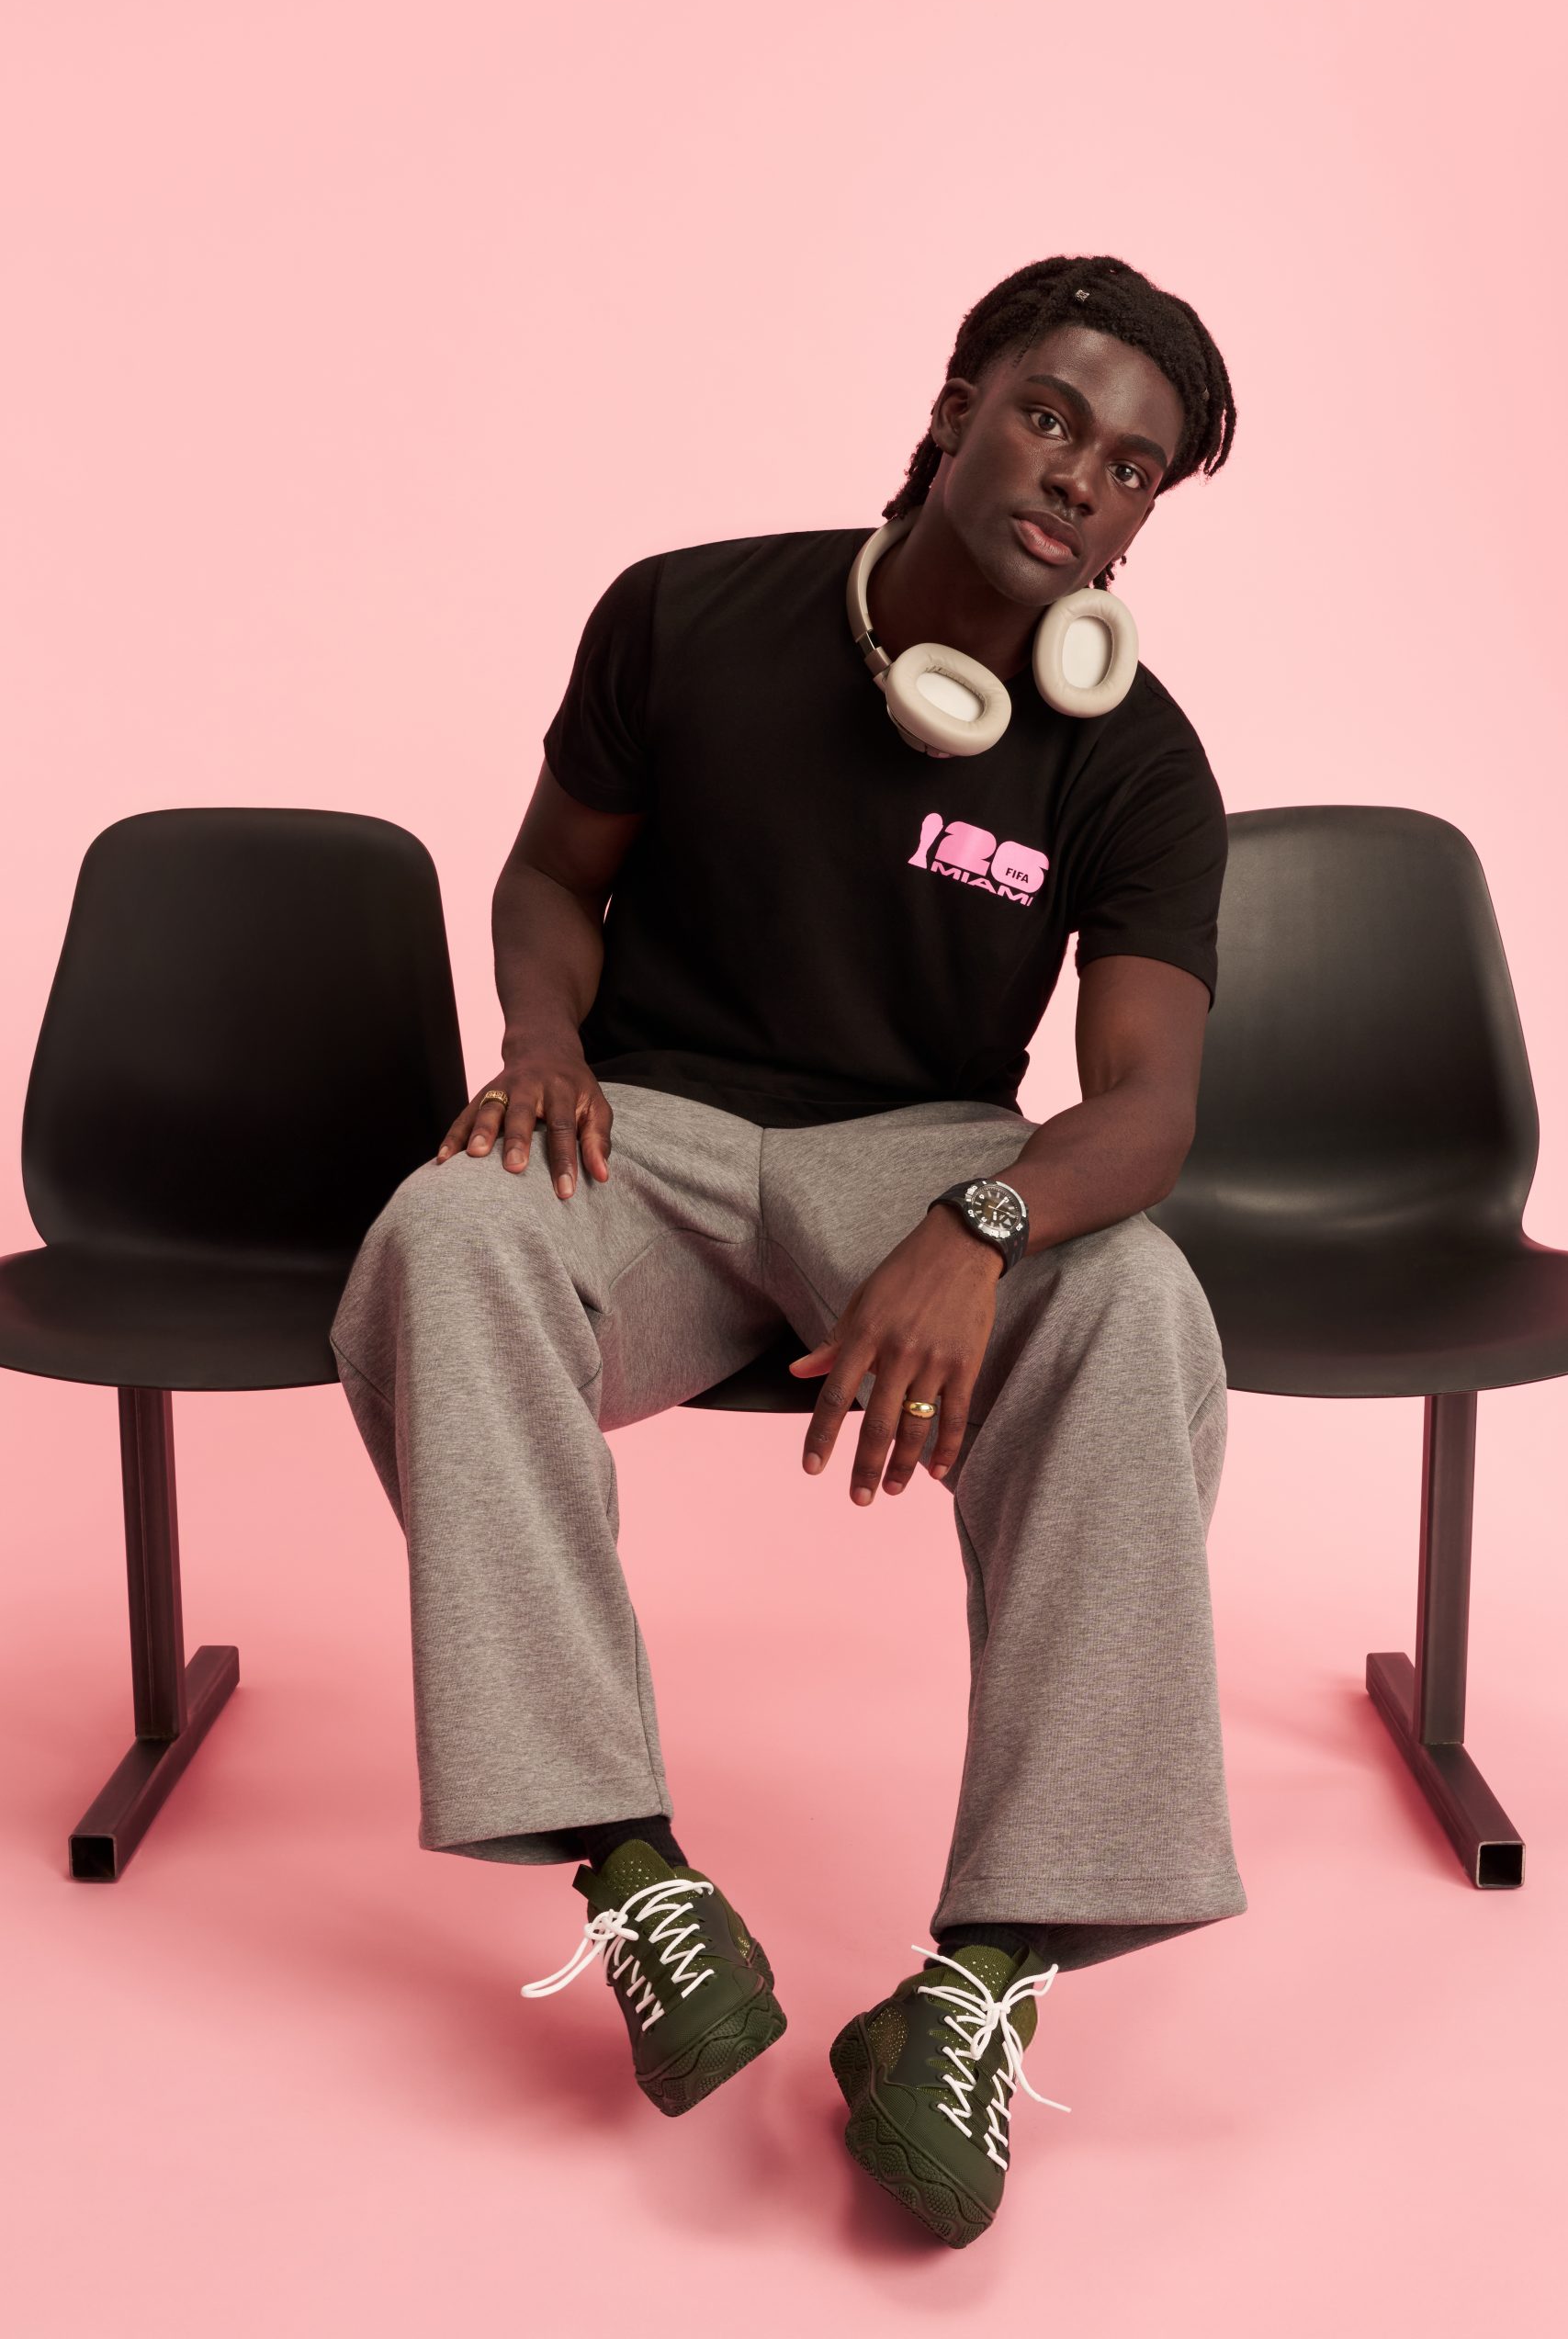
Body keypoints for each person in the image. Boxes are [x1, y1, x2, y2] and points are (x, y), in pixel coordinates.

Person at [330, 251, 1245, 2250]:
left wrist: (981, 1218)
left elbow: (1146, 1107)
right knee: (444, 1232)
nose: (1082, 476)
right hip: (644, 1126)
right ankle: (632, 1871)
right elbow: (548, 875)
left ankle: (980, 1980)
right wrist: (542, 1042)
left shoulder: (1136, 759)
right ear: (956, 408)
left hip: (922, 1159)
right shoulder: (685, 613)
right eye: (1053, 415)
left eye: (1132, 468)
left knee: (1136, 1300)